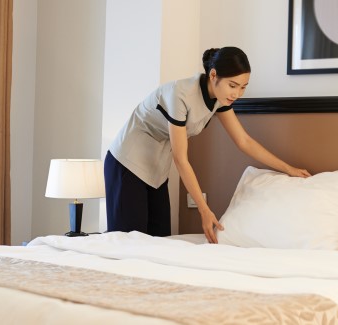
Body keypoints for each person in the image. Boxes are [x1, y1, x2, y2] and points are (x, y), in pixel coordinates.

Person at [104, 47, 310, 243]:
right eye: (232, 85)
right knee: (128, 242)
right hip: (127, 162)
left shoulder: (220, 98)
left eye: (243, 87)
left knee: (159, 241)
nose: (237, 94)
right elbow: (181, 159)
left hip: (156, 167)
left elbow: (244, 141)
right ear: (213, 76)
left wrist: (288, 169)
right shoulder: (180, 94)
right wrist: (204, 210)